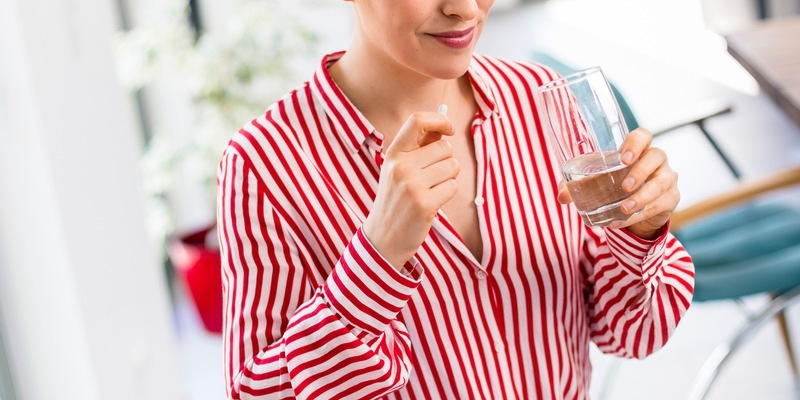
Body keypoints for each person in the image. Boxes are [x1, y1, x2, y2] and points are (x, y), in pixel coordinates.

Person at [216, 0, 695, 398]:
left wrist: (640, 232)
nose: (465, 9)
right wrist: (377, 259)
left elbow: (631, 332)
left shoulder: (535, 98)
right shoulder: (263, 164)